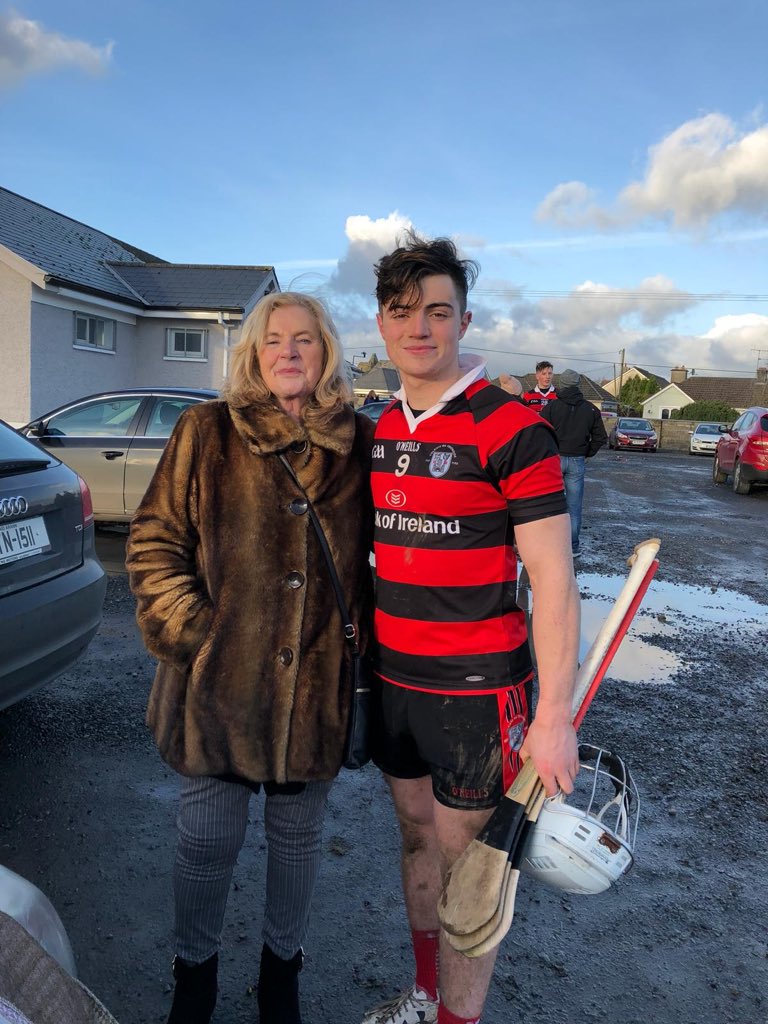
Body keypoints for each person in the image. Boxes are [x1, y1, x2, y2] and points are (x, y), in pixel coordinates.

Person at [126, 292, 374, 1024]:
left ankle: (281, 978)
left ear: (326, 351)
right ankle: (193, 975)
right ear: (253, 354)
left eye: (304, 339)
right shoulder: (206, 430)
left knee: (297, 845)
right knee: (205, 842)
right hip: (220, 691)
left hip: (317, 688)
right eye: (273, 340)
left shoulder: (361, 442)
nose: (288, 351)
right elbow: (152, 543)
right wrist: (198, 639)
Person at [363, 235, 580, 1024]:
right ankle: (425, 997)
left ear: (462, 320)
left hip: (478, 691)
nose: (419, 328)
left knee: (469, 870)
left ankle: (459, 1019)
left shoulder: (511, 426)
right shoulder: (381, 426)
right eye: (402, 312)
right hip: (394, 683)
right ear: (382, 325)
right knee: (416, 841)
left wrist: (553, 717)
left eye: (437, 312)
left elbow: (554, 581)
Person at [539, 368, 607, 556]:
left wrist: (548, 452)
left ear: (561, 385)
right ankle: (572, 547)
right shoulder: (591, 409)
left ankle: (552, 545)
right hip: (577, 460)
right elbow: (600, 437)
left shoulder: (551, 408)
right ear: (578, 385)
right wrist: (586, 452)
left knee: (551, 503)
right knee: (574, 506)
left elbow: (539, 432)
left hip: (555, 460)